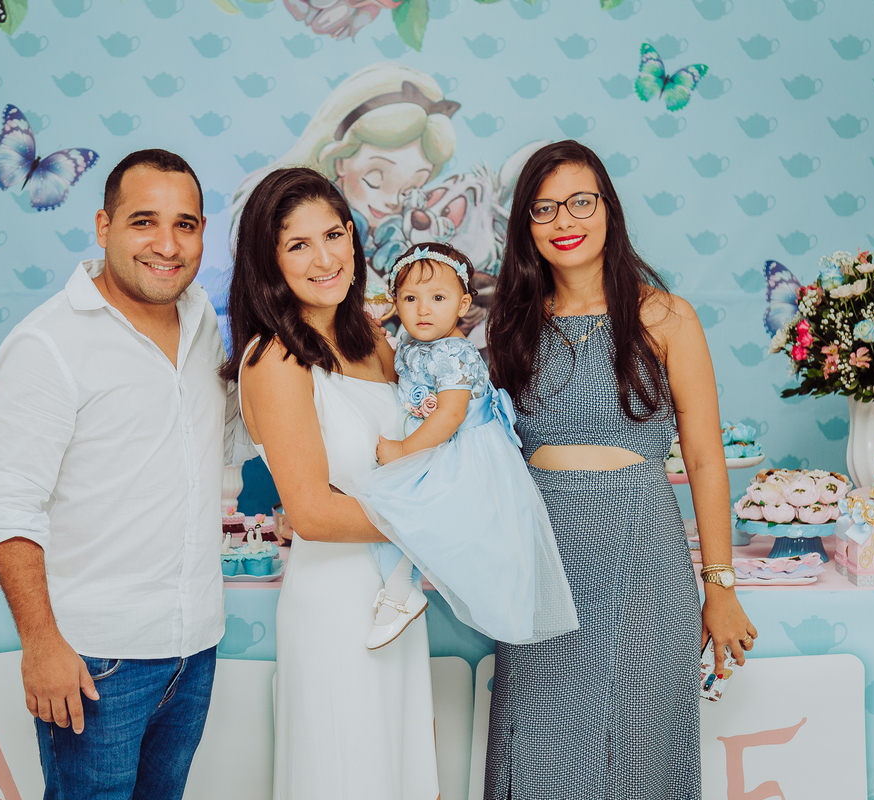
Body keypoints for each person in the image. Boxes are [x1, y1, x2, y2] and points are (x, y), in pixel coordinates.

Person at [483, 140, 757, 800]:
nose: (564, 221)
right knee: (542, 750)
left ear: (609, 208)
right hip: (543, 562)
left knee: (637, 747)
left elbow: (704, 459)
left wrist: (720, 586)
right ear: (525, 225)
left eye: (581, 202)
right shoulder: (511, 326)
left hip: (643, 558)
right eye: (544, 209)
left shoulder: (665, 316)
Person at [0, 149, 249, 800]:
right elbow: (12, 506)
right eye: (143, 222)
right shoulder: (48, 344)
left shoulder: (201, 322)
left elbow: (225, 440)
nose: (167, 245)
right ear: (104, 226)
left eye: (185, 225)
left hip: (194, 647)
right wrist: (41, 644)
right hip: (96, 658)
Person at [221, 167, 439, 799]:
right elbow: (313, 514)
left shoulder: (373, 338)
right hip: (336, 606)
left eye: (334, 235)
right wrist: (440, 518)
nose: (325, 259)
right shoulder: (274, 358)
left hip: (397, 595)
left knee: (397, 773)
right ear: (269, 262)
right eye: (298, 245)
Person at [350, 241, 578, 649]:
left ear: (463, 304)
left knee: (410, 508)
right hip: (435, 442)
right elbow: (400, 378)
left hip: (462, 449)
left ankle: (401, 592)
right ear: (395, 302)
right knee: (397, 510)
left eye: (438, 298)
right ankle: (401, 588)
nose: (423, 309)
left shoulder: (453, 351)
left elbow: (451, 414)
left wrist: (403, 452)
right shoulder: (412, 341)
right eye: (410, 298)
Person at [228, 62, 458, 280]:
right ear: (339, 160)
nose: (392, 201)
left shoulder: (393, 236)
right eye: (374, 179)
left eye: (410, 189)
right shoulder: (300, 211)